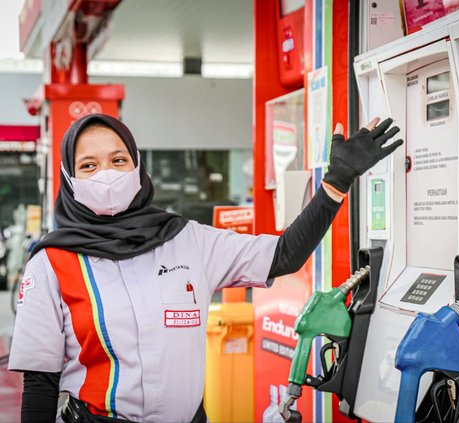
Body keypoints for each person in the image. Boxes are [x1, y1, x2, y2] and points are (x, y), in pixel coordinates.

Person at [8, 113, 402, 423]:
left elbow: (284, 255)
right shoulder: (51, 264)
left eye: (118, 159)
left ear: (137, 165)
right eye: (89, 166)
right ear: (70, 180)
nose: (107, 174)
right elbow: (41, 382)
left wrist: (335, 184)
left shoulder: (187, 240)